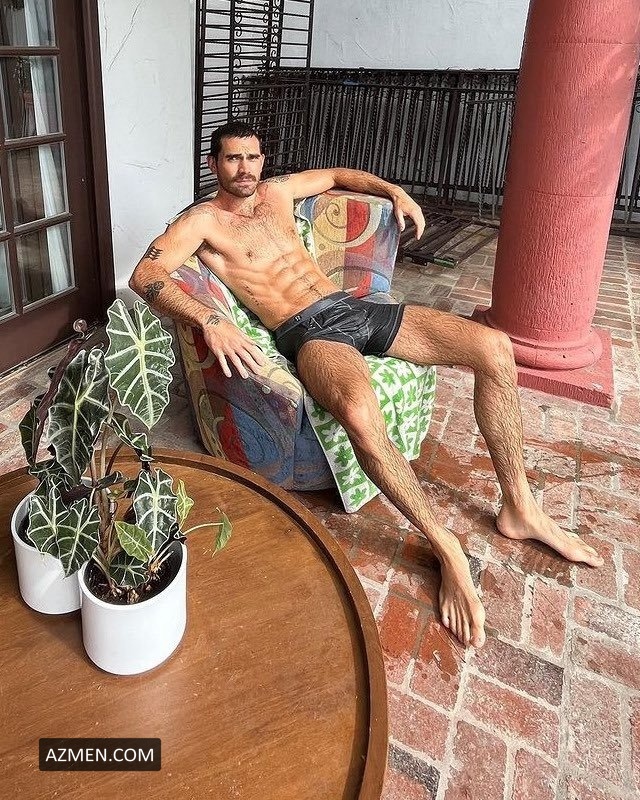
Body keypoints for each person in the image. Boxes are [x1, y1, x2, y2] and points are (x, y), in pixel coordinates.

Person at [129, 120, 603, 649]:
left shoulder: (277, 193)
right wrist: (209, 318)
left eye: (253, 157)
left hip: (353, 309)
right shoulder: (201, 222)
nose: (245, 169)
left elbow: (335, 175)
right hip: (308, 331)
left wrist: (394, 189)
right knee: (359, 415)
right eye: (233, 158)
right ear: (214, 163)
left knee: (493, 348)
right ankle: (444, 543)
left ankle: (520, 506)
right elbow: (144, 275)